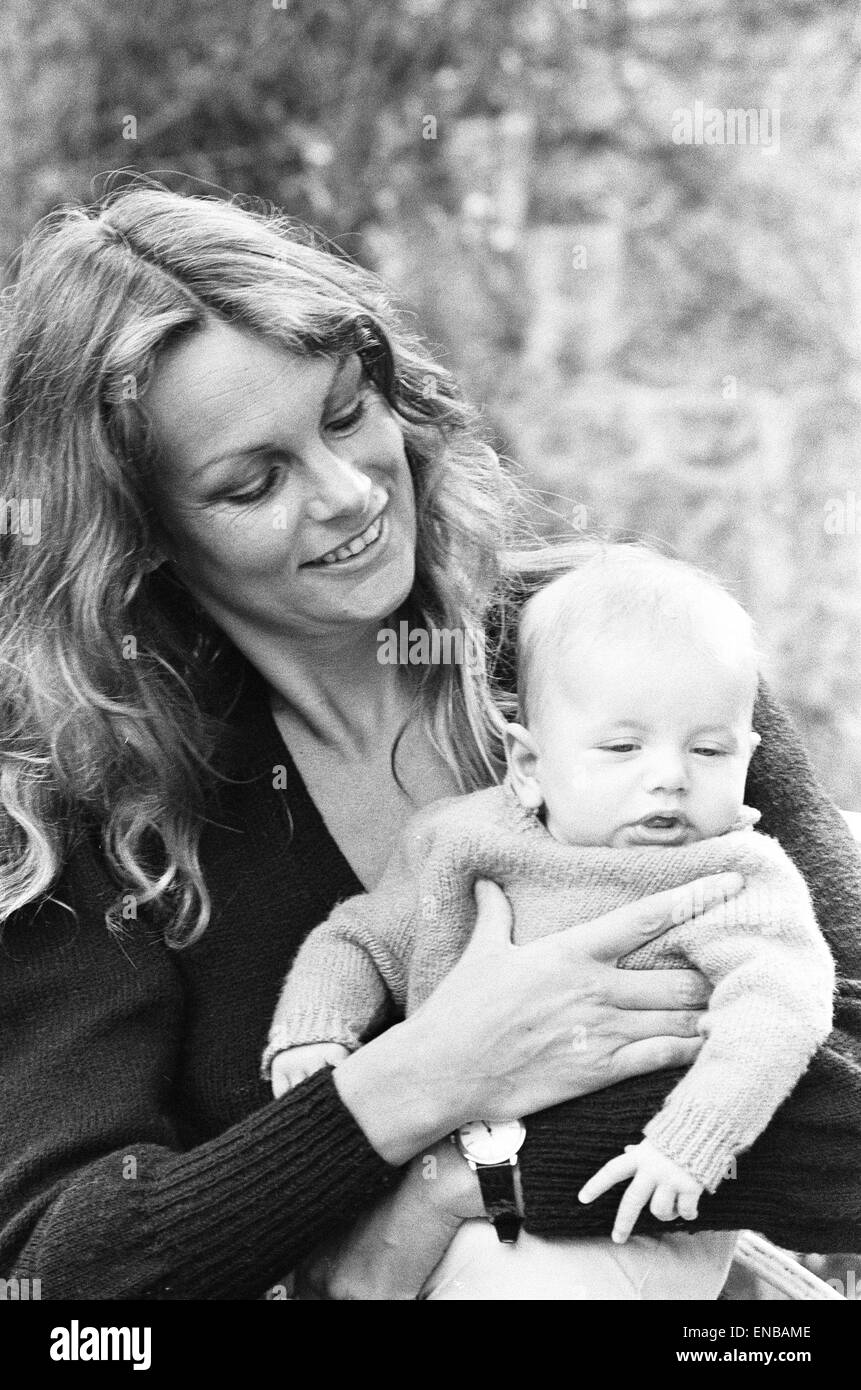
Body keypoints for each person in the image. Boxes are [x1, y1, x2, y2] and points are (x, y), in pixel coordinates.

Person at [0, 187, 858, 1302]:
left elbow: (846, 1075)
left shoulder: (609, 656)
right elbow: (65, 1276)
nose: (351, 492)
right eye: (254, 482)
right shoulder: (89, 801)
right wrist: (424, 1074)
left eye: (349, 413)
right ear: (140, 535)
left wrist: (461, 1182)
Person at [264, 546, 836, 1299]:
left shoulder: (734, 879)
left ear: (746, 757)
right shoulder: (464, 844)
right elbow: (360, 936)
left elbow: (782, 1008)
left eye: (707, 749)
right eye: (623, 747)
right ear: (528, 764)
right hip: (428, 1201)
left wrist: (692, 1141)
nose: (669, 774)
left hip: (625, 1216)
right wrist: (313, 1027)